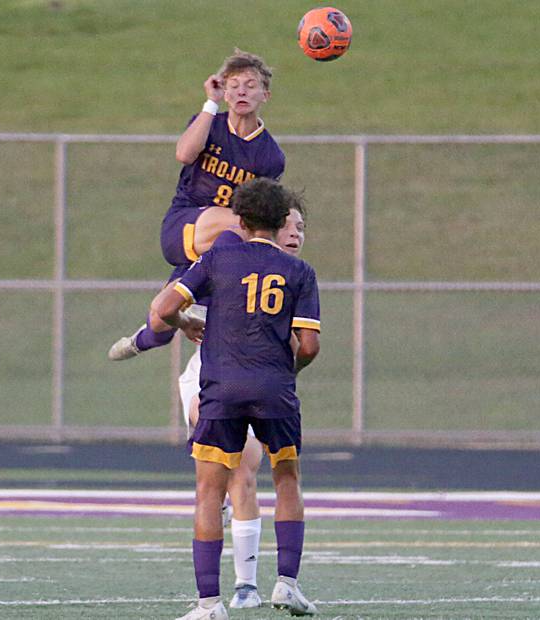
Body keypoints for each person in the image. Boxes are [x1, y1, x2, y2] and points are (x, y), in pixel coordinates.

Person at [150, 178, 320, 620]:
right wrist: (286, 373)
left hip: (222, 388)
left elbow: (165, 307)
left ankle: (210, 604)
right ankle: (286, 583)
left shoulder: (219, 256)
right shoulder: (299, 272)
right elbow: (309, 346)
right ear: (281, 221)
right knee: (286, 479)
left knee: (209, 491)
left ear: (239, 220)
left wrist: (186, 324)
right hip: (274, 389)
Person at [108, 48, 284, 361]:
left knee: (162, 320)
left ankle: (140, 340)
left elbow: (264, 206)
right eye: (233, 84)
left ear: (266, 95)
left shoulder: (270, 156)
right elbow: (185, 154)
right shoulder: (209, 124)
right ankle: (206, 299)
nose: (241, 90)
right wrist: (210, 103)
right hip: (184, 224)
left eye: (250, 84)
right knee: (243, 223)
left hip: (220, 246)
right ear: (225, 92)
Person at [177, 207, 307, 609]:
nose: (296, 234)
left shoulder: (292, 273)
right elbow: (168, 301)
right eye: (290, 225)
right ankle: (237, 590)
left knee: (240, 475)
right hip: (216, 381)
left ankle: (235, 591)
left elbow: (164, 305)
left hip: (249, 385)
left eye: (302, 228)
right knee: (233, 476)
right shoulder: (223, 255)